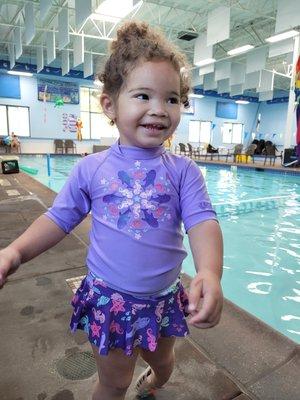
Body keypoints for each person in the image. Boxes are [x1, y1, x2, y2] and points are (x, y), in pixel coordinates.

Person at [0, 21, 223, 400]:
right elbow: (58, 217)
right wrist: (15, 251)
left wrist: (209, 271)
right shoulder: (92, 168)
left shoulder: (183, 171)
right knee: (113, 383)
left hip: (165, 299)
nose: (159, 109)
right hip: (112, 302)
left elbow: (202, 221)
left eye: (172, 99)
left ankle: (153, 382)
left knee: (165, 365)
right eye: (143, 96)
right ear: (109, 104)